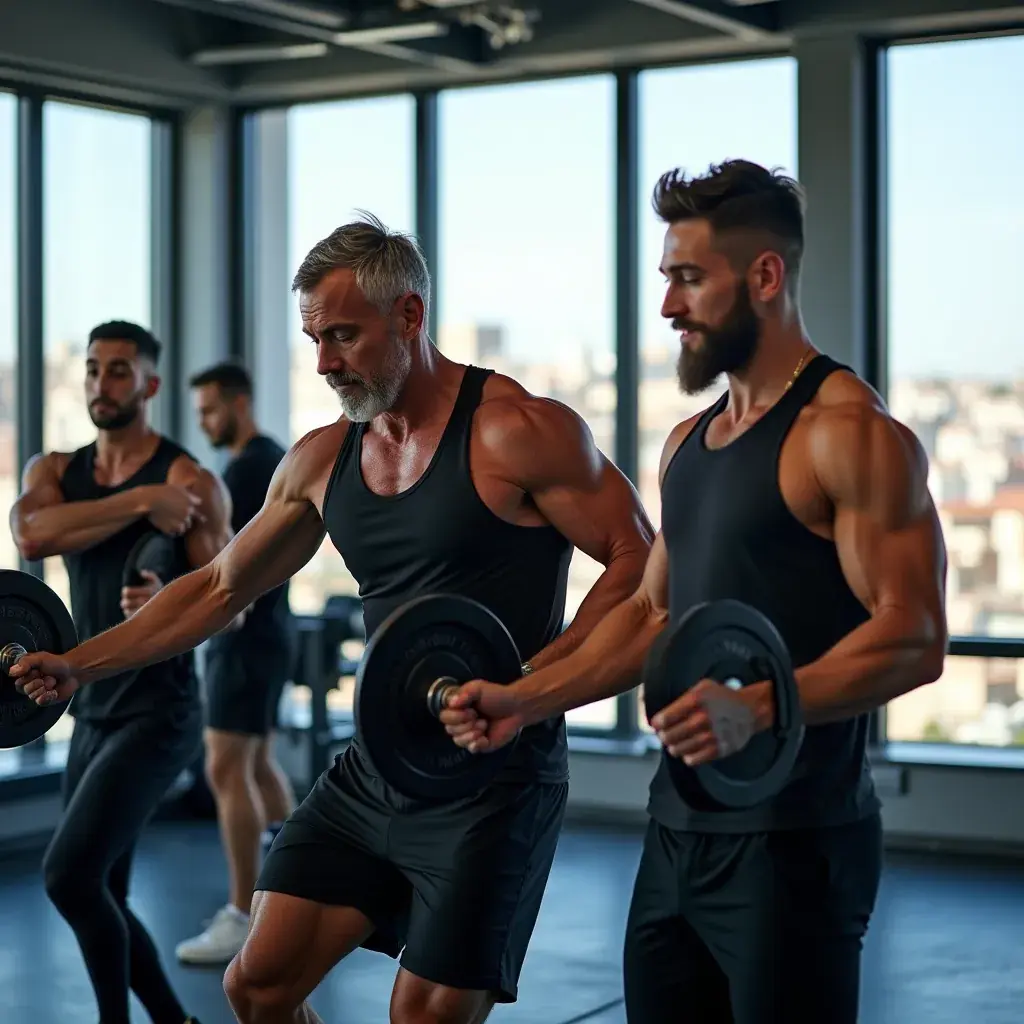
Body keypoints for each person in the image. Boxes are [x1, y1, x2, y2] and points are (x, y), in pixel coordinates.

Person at [12, 215, 656, 1024]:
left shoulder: (518, 429)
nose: (323, 363)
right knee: (257, 985)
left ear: (410, 317)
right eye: (315, 339)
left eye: (344, 336)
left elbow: (638, 560)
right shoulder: (322, 458)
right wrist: (80, 662)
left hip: (497, 779)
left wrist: (529, 685)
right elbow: (217, 587)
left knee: (420, 1015)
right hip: (376, 769)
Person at [439, 160, 949, 1024]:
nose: (668, 306)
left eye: (687, 279)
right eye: (666, 278)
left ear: (764, 277)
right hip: (678, 830)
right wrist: (524, 699)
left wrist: (757, 706)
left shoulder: (850, 437)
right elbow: (650, 615)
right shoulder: (688, 443)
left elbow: (913, 636)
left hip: (798, 842)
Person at [10, 320, 236, 1024]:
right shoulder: (54, 471)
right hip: (85, 704)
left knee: (69, 878)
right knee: (104, 886)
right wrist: (141, 504)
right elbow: (31, 534)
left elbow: (228, 603)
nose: (101, 384)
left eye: (118, 371)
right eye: (92, 369)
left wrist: (169, 598)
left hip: (159, 709)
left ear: (150, 384)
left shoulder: (190, 482)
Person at [176, 360, 298, 965]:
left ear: (238, 403)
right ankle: (313, 883)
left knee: (227, 770)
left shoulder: (249, 469)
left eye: (209, 411)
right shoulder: (267, 458)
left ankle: (245, 914)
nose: (204, 423)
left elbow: (226, 568)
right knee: (257, 767)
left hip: (245, 641)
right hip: (266, 640)